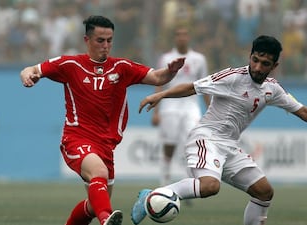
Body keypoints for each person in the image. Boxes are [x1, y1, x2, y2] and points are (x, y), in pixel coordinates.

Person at [130, 35, 307, 225]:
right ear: (250, 57)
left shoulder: (273, 89)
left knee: (264, 192)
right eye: (255, 60)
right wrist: (161, 94)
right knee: (210, 186)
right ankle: (150, 196)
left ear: (275, 66)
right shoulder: (232, 77)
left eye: (265, 64)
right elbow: (193, 87)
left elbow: (302, 111)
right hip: (206, 139)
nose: (258, 67)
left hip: (229, 146)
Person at [20, 15, 185, 225]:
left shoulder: (122, 67)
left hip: (106, 146)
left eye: (109, 40)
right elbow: (32, 69)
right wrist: (28, 75)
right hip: (76, 138)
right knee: (99, 175)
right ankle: (106, 219)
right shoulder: (70, 64)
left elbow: (158, 77)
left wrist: (171, 72)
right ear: (87, 40)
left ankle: (98, 214)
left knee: (93, 204)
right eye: (100, 40)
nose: (106, 46)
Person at [153, 25, 210, 186]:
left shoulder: (199, 59)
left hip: (191, 107)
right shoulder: (166, 58)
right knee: (169, 144)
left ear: (189, 37)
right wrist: (156, 111)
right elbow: (159, 83)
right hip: (169, 107)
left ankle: (190, 182)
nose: (181, 37)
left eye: (184, 34)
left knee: (191, 144)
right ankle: (164, 180)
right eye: (178, 34)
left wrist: (210, 110)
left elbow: (205, 86)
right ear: (175, 38)